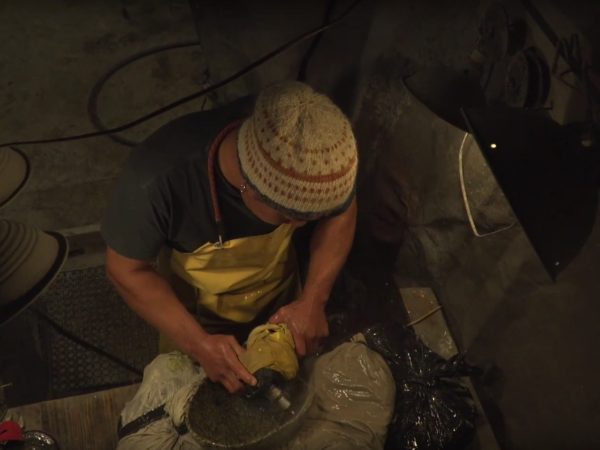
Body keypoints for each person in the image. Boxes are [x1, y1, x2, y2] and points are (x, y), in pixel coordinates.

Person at [102, 81, 358, 394]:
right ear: (249, 189)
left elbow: (342, 210)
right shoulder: (156, 181)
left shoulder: (315, 146)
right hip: (193, 316)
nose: (302, 227)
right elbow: (125, 269)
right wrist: (198, 345)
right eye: (291, 218)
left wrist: (314, 299)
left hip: (279, 297)